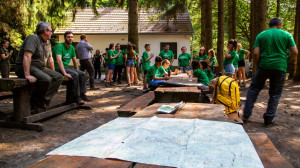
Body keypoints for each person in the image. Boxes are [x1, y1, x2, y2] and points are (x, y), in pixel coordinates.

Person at [243, 18, 298, 126]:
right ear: (279, 24)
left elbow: (255, 53)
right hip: (280, 67)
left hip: (263, 65)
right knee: (275, 93)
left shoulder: (261, 35)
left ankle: (245, 116)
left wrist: (259, 64)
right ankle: (269, 119)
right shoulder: (286, 35)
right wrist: (286, 61)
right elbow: (295, 52)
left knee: (253, 89)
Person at [15, 22, 64, 112]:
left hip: (40, 68)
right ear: (45, 31)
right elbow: (27, 56)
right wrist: (27, 75)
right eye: (50, 31)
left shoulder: (47, 42)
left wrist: (53, 72)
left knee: (59, 77)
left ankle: (41, 101)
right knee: (46, 79)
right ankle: (37, 103)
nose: (52, 33)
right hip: (26, 67)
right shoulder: (33, 38)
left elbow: (50, 59)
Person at [53, 31, 88, 105]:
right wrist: (65, 73)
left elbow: (75, 61)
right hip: (57, 68)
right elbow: (59, 61)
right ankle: (77, 97)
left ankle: (82, 94)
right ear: (65, 38)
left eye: (71, 37)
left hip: (66, 67)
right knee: (75, 75)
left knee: (82, 74)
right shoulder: (59, 46)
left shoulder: (72, 47)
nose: (70, 38)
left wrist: (78, 71)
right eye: (68, 37)